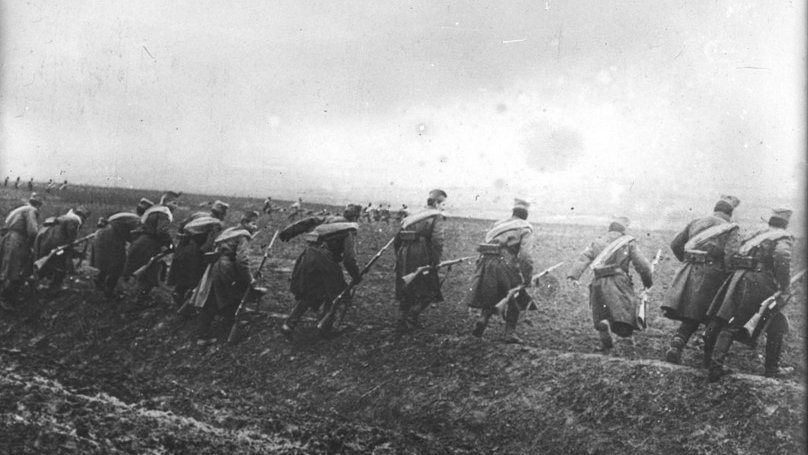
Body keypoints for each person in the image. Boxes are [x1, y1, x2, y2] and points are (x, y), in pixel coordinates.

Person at [706, 208, 795, 381]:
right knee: (737, 322)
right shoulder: (782, 237)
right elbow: (782, 256)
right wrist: (784, 284)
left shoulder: (758, 234)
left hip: (741, 278)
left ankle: (771, 369)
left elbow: (735, 251)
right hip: (761, 283)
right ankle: (716, 368)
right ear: (785, 224)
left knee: (774, 323)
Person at [660, 195, 741, 365]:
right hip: (712, 275)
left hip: (689, 270)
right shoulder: (731, 228)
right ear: (730, 212)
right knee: (712, 317)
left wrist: (687, 260)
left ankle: (678, 343)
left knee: (692, 312)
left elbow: (676, 244)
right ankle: (705, 358)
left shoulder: (696, 221)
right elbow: (731, 256)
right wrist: (729, 276)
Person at [567, 216, 654, 352]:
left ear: (610, 228)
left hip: (598, 281)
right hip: (619, 281)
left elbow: (583, 258)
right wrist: (647, 282)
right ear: (623, 230)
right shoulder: (628, 242)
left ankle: (605, 324)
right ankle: (625, 339)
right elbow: (642, 265)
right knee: (625, 310)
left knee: (603, 310)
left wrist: (573, 276)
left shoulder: (597, 241)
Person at [280, 204, 362, 337]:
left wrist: (288, 232)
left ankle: (289, 324)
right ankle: (326, 328)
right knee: (337, 292)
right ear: (356, 217)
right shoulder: (350, 229)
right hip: (325, 260)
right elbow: (349, 259)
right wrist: (356, 275)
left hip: (308, 256)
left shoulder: (328, 219)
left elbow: (308, 221)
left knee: (311, 291)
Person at [465, 198, 535, 343]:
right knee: (516, 295)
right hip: (506, 264)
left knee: (492, 293)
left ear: (513, 211)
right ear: (526, 214)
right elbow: (525, 257)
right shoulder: (525, 229)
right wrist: (527, 279)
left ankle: (483, 319)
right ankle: (509, 333)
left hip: (487, 262)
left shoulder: (499, 224)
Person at [194, 211, 261, 345]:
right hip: (226, 268)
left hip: (215, 266)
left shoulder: (230, 231)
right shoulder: (243, 235)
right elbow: (242, 260)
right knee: (231, 295)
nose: (255, 227)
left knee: (212, 297)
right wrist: (250, 279)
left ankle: (206, 333)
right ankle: (232, 325)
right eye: (253, 224)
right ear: (245, 223)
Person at [394, 189, 447, 331]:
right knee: (431, 288)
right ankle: (412, 316)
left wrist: (399, 256)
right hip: (422, 254)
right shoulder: (436, 216)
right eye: (443, 204)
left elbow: (397, 238)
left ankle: (402, 319)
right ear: (436, 203)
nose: (444, 207)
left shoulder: (414, 215)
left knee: (408, 286)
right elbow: (437, 240)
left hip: (405, 252)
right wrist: (436, 261)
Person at [167, 200, 228, 305]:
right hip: (194, 251)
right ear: (221, 214)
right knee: (196, 277)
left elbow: (182, 225)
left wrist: (184, 237)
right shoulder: (216, 223)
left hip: (183, 247)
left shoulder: (199, 215)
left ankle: (178, 295)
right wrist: (207, 256)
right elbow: (209, 243)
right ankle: (186, 304)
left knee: (184, 276)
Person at [123, 191, 179, 304]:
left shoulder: (152, 211)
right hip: (150, 246)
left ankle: (135, 298)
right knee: (150, 276)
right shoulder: (164, 213)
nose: (176, 206)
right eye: (174, 203)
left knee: (143, 274)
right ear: (167, 202)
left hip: (140, 242)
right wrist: (171, 244)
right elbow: (161, 231)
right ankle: (139, 301)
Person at [33, 206, 91, 292]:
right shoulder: (74, 220)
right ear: (83, 217)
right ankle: (53, 289)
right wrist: (77, 253)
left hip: (46, 243)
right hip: (57, 247)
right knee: (60, 267)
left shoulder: (63, 217)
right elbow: (70, 241)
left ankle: (35, 283)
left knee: (46, 264)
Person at [0, 193, 42, 309]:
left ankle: (9, 296)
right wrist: (32, 245)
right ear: (38, 205)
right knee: (13, 270)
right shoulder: (31, 210)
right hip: (17, 240)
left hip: (6, 238)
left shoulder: (19, 209)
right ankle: (5, 299)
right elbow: (33, 231)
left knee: (5, 267)